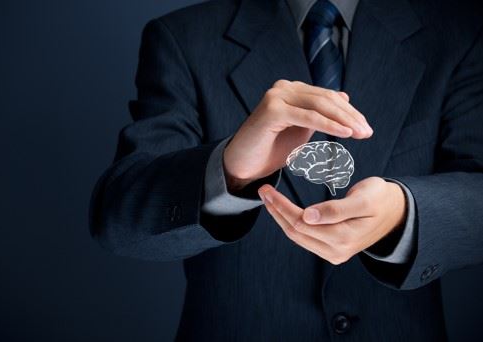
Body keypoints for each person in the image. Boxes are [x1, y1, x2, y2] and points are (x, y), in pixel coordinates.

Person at [89, 0, 483, 340]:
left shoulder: (458, 32)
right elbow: (120, 223)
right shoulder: (184, 39)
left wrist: (403, 215)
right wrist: (228, 173)